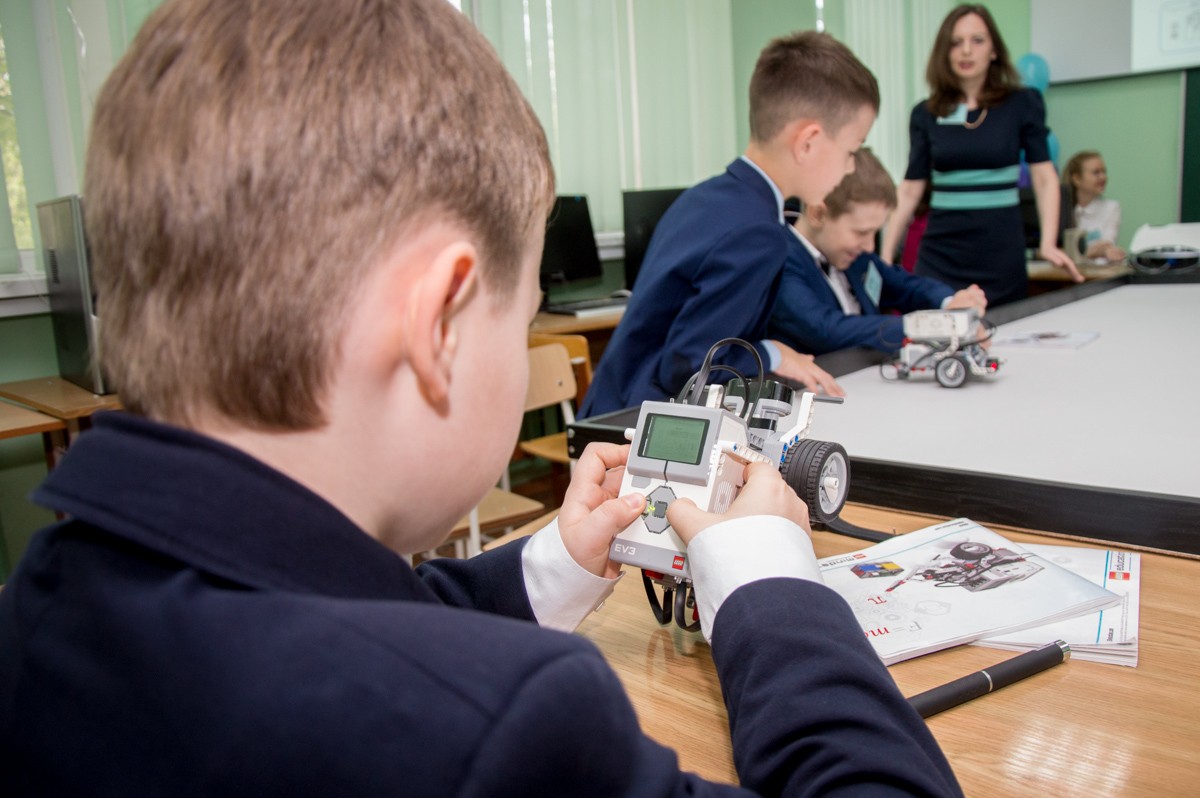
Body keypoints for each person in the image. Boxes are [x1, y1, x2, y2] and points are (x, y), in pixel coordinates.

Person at [0, 2, 962, 795]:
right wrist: (770, 586)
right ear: (438, 323)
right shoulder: (502, 731)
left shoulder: (41, 606)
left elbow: (354, 611)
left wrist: (551, 567)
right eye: (524, 312)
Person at [579, 31, 878, 419]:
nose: (851, 167)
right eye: (852, 150)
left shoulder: (709, 196)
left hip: (608, 409)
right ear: (808, 142)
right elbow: (690, 366)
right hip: (638, 429)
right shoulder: (758, 232)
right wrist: (772, 353)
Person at [880, 3, 1083, 308]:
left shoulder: (1022, 104)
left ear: (994, 50)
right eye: (956, 42)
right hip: (940, 257)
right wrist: (884, 257)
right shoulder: (926, 113)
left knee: (1002, 332)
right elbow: (910, 189)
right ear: (944, 52)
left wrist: (1048, 242)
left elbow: (1043, 177)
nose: (966, 51)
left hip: (1000, 255)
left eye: (977, 41)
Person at [770, 148, 987, 355]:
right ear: (817, 214)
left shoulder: (857, 257)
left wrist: (951, 303)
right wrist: (929, 325)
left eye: (875, 233)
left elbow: (906, 286)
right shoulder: (778, 261)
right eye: (861, 232)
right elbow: (825, 329)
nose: (870, 247)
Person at [1063, 150, 1125, 262]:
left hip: (1099, 270)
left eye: (1104, 172)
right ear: (1077, 179)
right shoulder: (1063, 211)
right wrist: (1090, 252)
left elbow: (1107, 244)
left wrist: (1078, 253)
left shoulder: (1112, 208)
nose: (1103, 177)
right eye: (1096, 173)